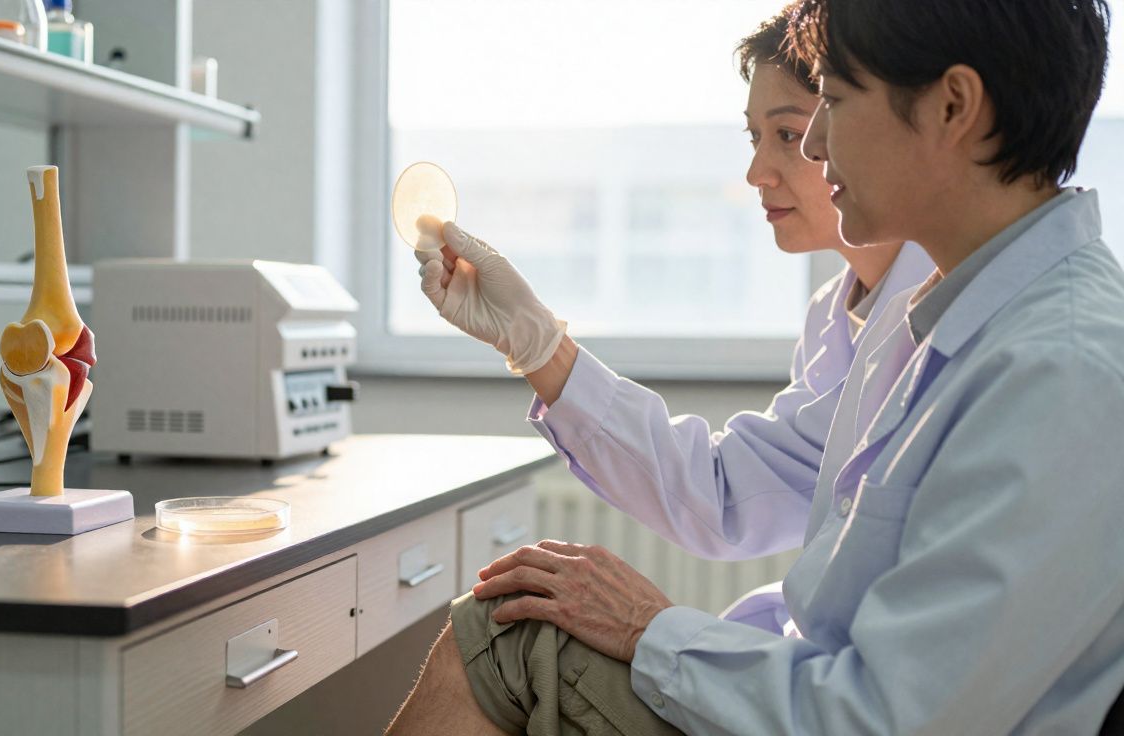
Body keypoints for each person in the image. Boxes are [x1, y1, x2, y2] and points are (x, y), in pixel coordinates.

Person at [389, 0, 1121, 733]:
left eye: (832, 103)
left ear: (952, 106)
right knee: (517, 623)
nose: (818, 146)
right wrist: (537, 342)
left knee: (506, 637)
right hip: (805, 693)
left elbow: (885, 716)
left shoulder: (1062, 372)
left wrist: (653, 630)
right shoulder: (941, 320)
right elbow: (733, 490)